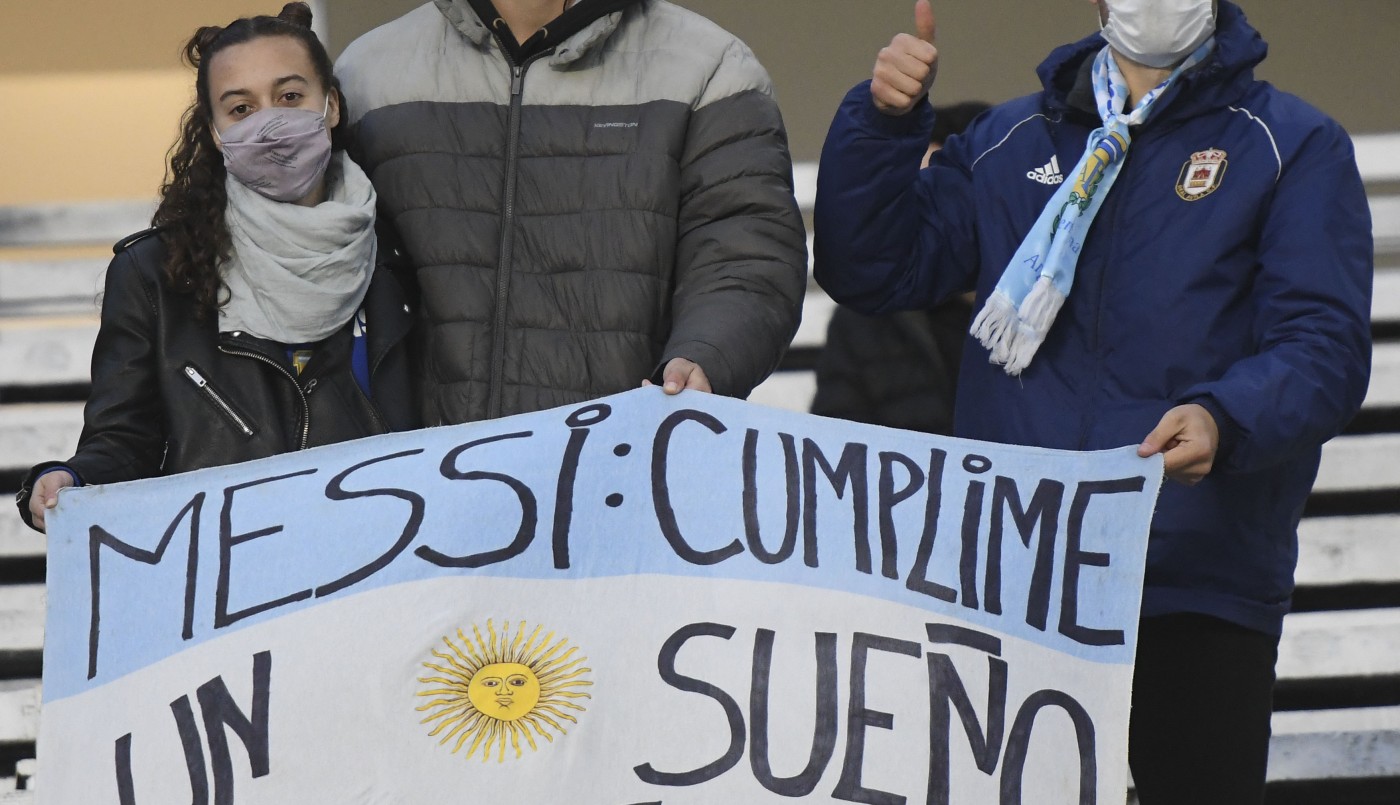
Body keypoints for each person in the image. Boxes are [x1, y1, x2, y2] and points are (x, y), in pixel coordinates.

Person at [813, 1, 1372, 802]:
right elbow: (874, 268)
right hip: (1015, 590)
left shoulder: (1290, 144)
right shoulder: (1011, 143)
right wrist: (884, 122)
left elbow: (1324, 343)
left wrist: (1225, 414)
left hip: (1192, 581)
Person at [17, 3, 418, 533]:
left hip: (383, 567)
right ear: (214, 132)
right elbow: (124, 440)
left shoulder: (401, 252)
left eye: (290, 96)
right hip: (233, 586)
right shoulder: (154, 274)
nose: (270, 123)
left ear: (333, 106)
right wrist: (72, 481)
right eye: (241, 109)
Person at [334, 0, 807, 424]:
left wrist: (702, 358)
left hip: (619, 478)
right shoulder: (367, 74)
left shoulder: (710, 67)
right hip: (415, 488)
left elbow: (744, 255)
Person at [810, 101, 988, 435]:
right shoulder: (866, 318)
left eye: (939, 191)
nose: (922, 212)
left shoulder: (1056, 309)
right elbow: (837, 440)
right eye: (910, 193)